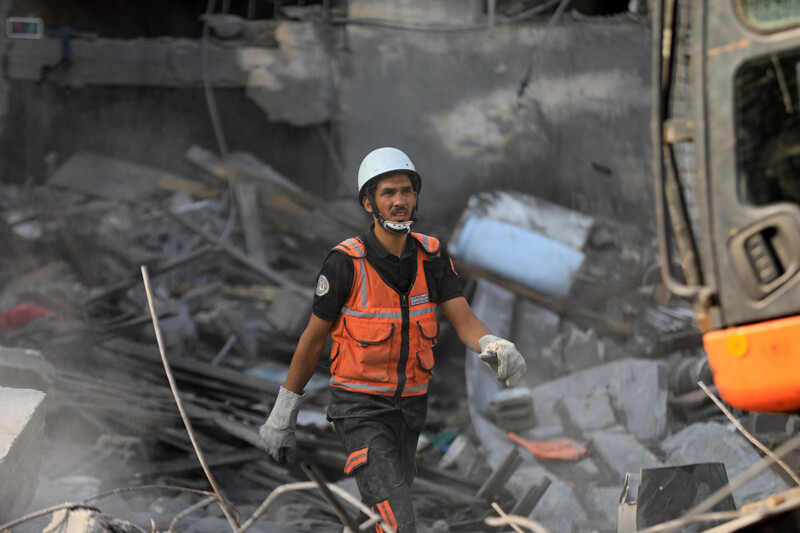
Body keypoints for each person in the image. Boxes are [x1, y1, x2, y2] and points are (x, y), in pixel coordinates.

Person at [259, 147, 526, 532]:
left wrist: (493, 343)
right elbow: (312, 339)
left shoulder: (432, 256)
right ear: (369, 202)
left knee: (381, 513)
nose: (399, 201)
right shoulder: (345, 263)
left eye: (406, 191)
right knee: (398, 519)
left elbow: (462, 318)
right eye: (388, 193)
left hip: (410, 410)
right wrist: (284, 413)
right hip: (360, 410)